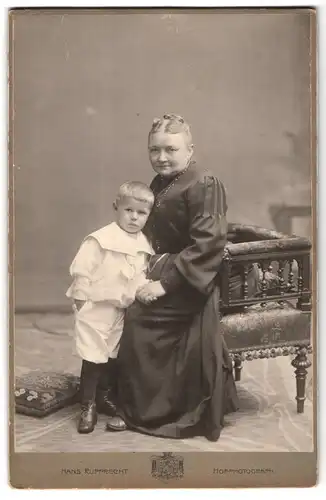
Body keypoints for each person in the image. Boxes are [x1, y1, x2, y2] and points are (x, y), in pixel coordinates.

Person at [106, 114, 257, 441]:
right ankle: (131, 400)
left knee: (140, 317)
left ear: (190, 150)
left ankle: (160, 412)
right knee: (118, 304)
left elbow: (208, 244)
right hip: (161, 266)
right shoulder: (161, 181)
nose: (161, 157)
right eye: (154, 150)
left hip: (191, 278)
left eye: (170, 150)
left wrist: (164, 283)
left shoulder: (205, 183)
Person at [66, 181, 155, 434]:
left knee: (112, 354)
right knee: (93, 356)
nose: (134, 217)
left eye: (141, 213)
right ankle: (88, 404)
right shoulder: (100, 239)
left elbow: (140, 274)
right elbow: (82, 271)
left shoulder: (143, 244)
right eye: (129, 211)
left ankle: (104, 397)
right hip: (96, 306)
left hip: (121, 308)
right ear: (117, 207)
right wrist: (82, 301)